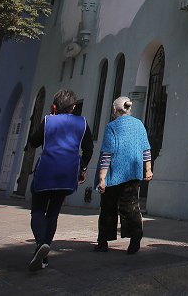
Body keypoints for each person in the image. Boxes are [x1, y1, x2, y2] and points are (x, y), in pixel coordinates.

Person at [27, 89, 92, 271]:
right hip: (67, 173)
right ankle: (44, 255)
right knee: (53, 213)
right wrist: (83, 168)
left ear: (55, 106)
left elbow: (33, 141)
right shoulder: (82, 123)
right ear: (73, 106)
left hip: (46, 171)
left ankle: (40, 244)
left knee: (38, 211)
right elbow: (88, 149)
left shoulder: (48, 121)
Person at [95, 96, 152, 254]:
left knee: (108, 207)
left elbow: (107, 154)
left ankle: (103, 241)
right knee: (131, 205)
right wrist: (148, 169)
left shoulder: (112, 127)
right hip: (134, 173)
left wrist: (101, 178)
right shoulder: (139, 124)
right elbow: (146, 149)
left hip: (114, 175)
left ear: (114, 110)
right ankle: (135, 233)